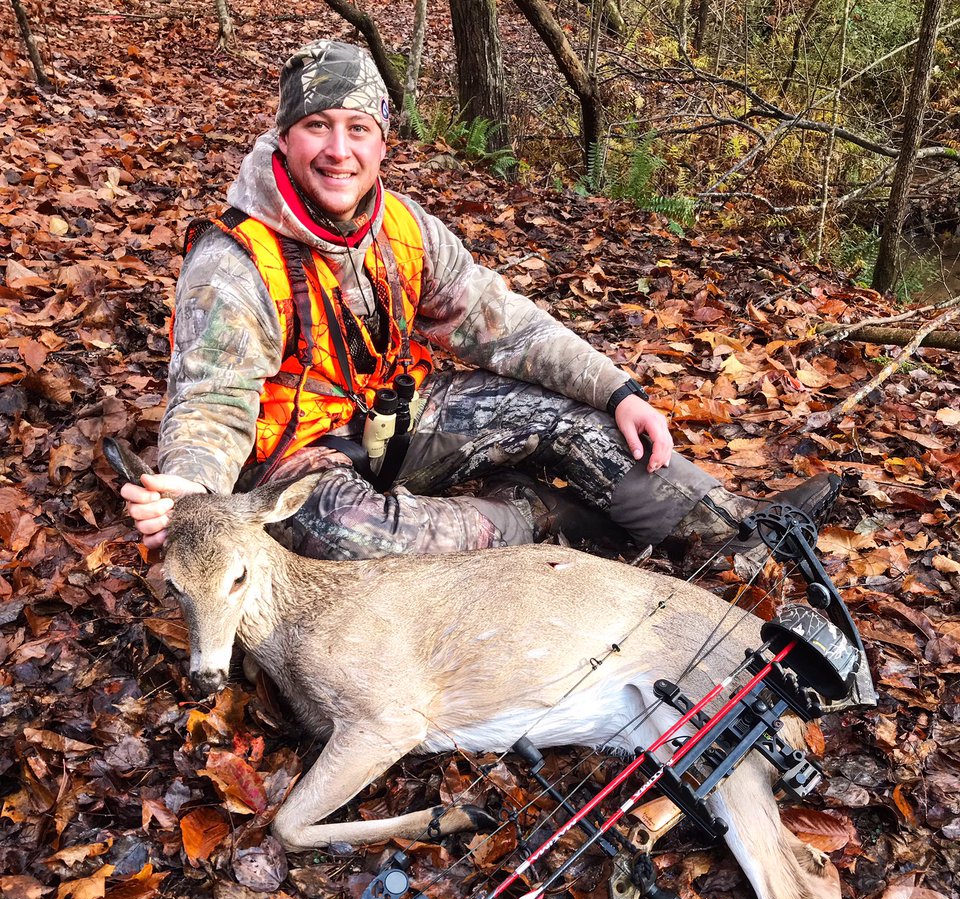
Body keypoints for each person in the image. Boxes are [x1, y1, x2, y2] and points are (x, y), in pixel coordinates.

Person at [122, 39, 837, 560]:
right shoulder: (234, 262)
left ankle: (738, 532)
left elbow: (509, 329)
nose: (337, 150)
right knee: (349, 539)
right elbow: (212, 403)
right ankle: (537, 516)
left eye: (357, 128)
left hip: (396, 420)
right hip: (296, 462)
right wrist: (188, 489)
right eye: (317, 126)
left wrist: (619, 392)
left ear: (382, 142)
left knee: (575, 418)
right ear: (285, 136)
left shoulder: (403, 228)